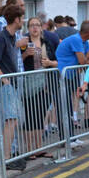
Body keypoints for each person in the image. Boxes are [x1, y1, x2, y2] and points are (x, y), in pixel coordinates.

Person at [0, 2, 24, 171]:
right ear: (16, 19)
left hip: (11, 83)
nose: (23, 20)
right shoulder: (0, 38)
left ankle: (9, 156)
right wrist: (4, 80)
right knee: (10, 120)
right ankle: (6, 158)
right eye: (22, 18)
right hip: (6, 84)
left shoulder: (11, 37)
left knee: (13, 120)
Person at [20, 15, 59, 158]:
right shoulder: (24, 42)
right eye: (31, 25)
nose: (35, 27)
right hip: (28, 84)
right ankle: (30, 149)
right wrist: (24, 54)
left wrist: (50, 63)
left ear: (41, 27)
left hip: (45, 84)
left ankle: (39, 147)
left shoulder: (46, 42)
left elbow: (57, 60)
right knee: (30, 116)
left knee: (40, 116)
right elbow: (17, 61)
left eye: (37, 24)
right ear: (28, 28)